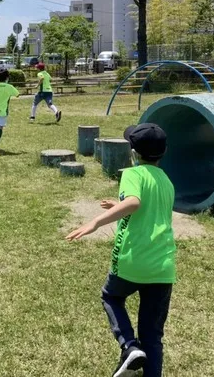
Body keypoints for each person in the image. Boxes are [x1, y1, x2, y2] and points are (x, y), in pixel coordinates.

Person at [66, 123, 175, 377]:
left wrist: (94, 222)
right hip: (163, 268)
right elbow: (149, 209)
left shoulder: (132, 174)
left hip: (132, 261)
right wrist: (119, 204)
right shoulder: (167, 182)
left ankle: (128, 345)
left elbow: (135, 202)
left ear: (134, 152)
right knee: (153, 336)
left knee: (111, 297)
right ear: (164, 151)